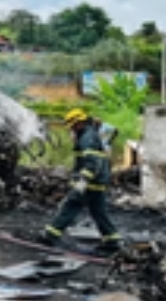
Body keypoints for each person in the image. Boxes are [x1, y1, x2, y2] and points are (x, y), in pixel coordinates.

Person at [40, 108, 122, 253]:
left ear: (78, 123)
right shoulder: (91, 134)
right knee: (99, 212)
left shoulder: (87, 138)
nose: (71, 130)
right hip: (98, 181)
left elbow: (91, 162)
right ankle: (112, 240)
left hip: (90, 182)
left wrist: (81, 183)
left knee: (71, 205)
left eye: (72, 126)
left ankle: (51, 235)